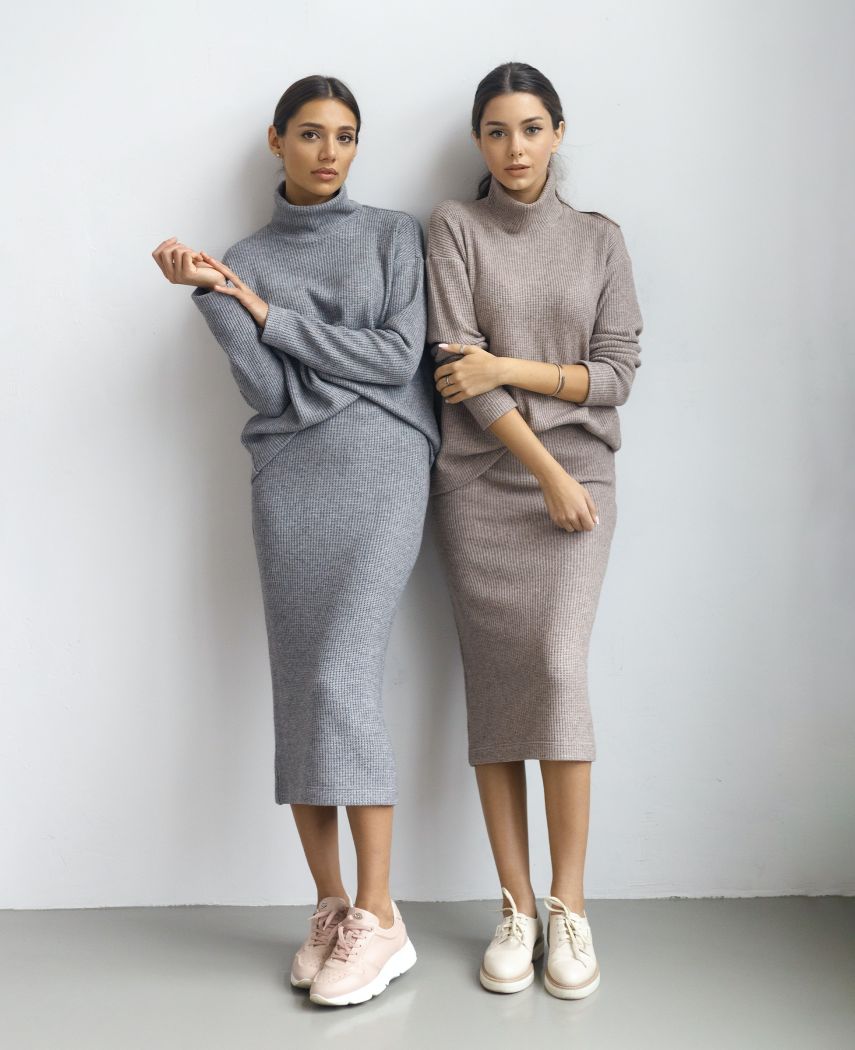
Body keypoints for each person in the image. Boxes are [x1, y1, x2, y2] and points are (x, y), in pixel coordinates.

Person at [151, 74, 439, 1008]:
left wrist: (272, 316)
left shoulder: (394, 235)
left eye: (345, 136)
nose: (329, 152)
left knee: (338, 678)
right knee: (302, 687)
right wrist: (216, 298)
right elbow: (271, 392)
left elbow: (396, 359)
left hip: (383, 467)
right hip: (288, 476)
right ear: (277, 141)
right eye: (310, 134)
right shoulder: (244, 258)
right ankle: (331, 907)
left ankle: (382, 915)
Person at [426, 61, 644, 1000]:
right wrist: (541, 465)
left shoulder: (599, 240)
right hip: (482, 485)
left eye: (529, 128)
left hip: (580, 483)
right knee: (496, 685)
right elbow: (455, 376)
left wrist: (509, 367)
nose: (513, 148)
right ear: (479, 141)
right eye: (496, 131)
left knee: (555, 668)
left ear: (557, 132)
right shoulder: (452, 226)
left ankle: (570, 907)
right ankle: (514, 907)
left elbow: (616, 374)